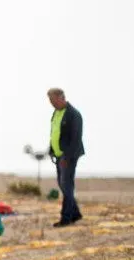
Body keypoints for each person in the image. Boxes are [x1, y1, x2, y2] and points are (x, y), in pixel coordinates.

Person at [47, 88, 85, 227]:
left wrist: (66, 157)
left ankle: (66, 218)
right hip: (58, 156)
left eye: (52, 100)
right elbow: (54, 133)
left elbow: (75, 139)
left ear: (61, 97)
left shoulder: (73, 114)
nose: (51, 103)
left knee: (67, 186)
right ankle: (75, 213)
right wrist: (51, 150)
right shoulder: (56, 113)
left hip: (68, 157)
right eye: (49, 100)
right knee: (63, 185)